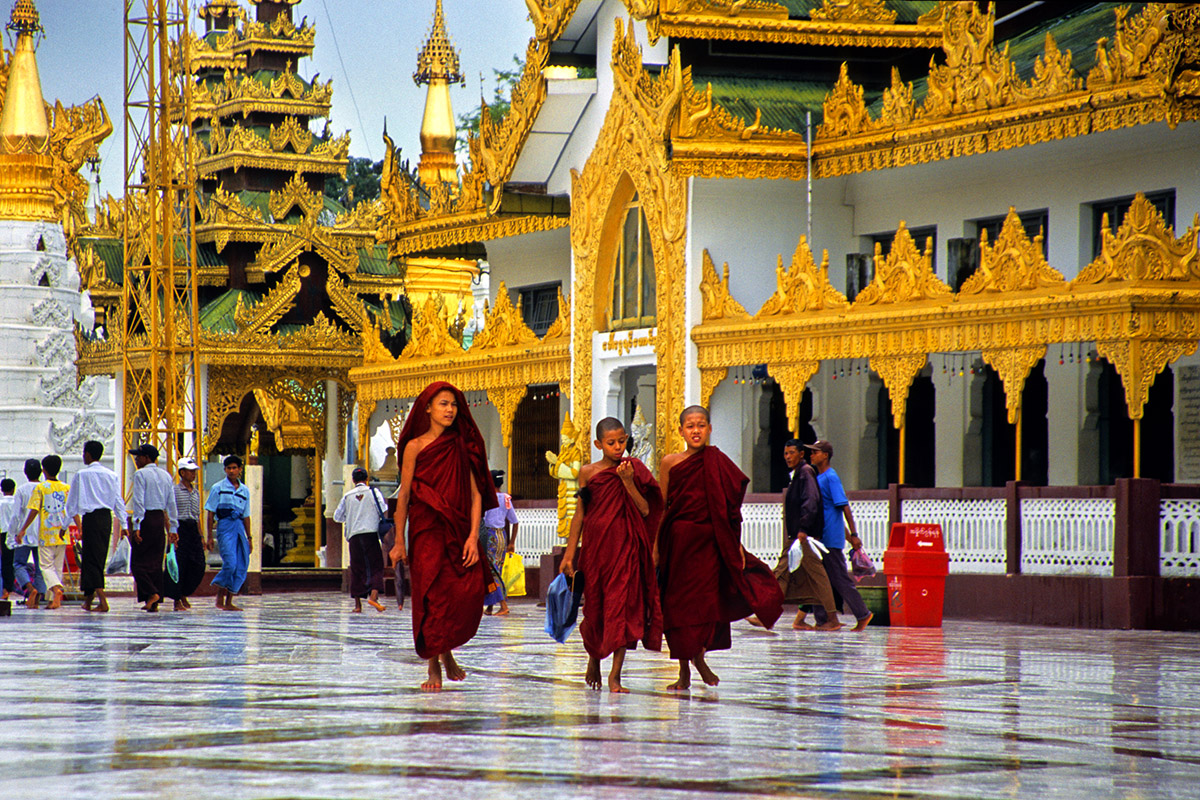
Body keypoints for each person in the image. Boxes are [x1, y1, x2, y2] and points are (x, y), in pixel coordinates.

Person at [656, 406, 784, 691]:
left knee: (705, 606)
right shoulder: (670, 462)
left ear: (710, 428)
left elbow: (729, 510)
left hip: (710, 544)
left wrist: (735, 544)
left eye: (701, 425)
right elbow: (662, 508)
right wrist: (655, 547)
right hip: (677, 543)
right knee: (677, 608)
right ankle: (686, 671)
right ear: (680, 431)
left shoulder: (717, 462)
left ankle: (698, 660)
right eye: (690, 426)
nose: (696, 431)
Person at [389, 381, 497, 691]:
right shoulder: (415, 446)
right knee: (431, 596)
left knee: (462, 594)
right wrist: (399, 541)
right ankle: (435, 664)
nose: (450, 410)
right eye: (443, 404)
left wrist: (474, 536)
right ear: (427, 409)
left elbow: (477, 495)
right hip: (426, 530)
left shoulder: (464, 445)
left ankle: (447, 651)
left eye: (453, 405)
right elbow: (405, 495)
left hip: (460, 529)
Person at [560, 417, 662, 693]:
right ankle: (593, 658)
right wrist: (570, 553)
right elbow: (580, 513)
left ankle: (615, 675)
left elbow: (645, 510)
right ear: (598, 444)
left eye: (622, 441)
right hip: (596, 550)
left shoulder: (634, 469)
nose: (618, 447)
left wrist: (628, 482)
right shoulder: (588, 472)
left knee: (621, 608)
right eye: (611, 443)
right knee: (595, 608)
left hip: (626, 549)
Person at [805, 440, 873, 632]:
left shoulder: (831, 477)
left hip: (830, 539)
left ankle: (862, 614)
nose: (812, 455)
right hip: (820, 537)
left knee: (839, 578)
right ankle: (822, 619)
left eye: (815, 452)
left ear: (825, 455)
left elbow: (843, 507)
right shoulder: (819, 478)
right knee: (819, 579)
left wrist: (853, 534)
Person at [66, 440, 126, 613]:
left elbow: (72, 504)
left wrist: (64, 525)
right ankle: (88, 600)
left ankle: (102, 600)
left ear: (88, 454)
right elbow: (118, 501)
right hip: (106, 519)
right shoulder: (111, 475)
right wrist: (123, 523)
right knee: (97, 557)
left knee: (91, 559)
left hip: (91, 519)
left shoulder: (81, 475)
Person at [128, 444, 178, 612]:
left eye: (139, 457)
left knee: (137, 563)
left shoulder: (140, 474)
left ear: (147, 458)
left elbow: (139, 501)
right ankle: (153, 601)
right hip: (159, 519)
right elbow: (171, 504)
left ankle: (152, 592)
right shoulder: (166, 476)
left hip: (146, 519)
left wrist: (137, 525)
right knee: (156, 562)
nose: (136, 459)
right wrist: (173, 529)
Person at [17, 455, 71, 610]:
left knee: (46, 567)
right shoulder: (66, 488)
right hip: (62, 533)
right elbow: (72, 509)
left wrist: (23, 529)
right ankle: (54, 600)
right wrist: (79, 528)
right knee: (57, 568)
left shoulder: (40, 488)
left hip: (46, 534)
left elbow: (34, 510)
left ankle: (56, 590)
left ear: (44, 470)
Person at [333, 466, 387, 613]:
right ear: (366, 479)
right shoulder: (374, 492)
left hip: (354, 536)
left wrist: (351, 515)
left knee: (357, 569)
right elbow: (383, 509)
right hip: (370, 534)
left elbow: (337, 517)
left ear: (353, 480)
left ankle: (358, 606)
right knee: (376, 565)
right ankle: (373, 597)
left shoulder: (347, 496)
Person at [206, 455, 251, 611]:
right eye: (229, 468)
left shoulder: (244, 490)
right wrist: (209, 536)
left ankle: (229, 600)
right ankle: (219, 594)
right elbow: (211, 512)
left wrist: (249, 537)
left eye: (234, 468)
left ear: (240, 469)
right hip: (225, 526)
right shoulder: (217, 488)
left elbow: (246, 515)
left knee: (241, 564)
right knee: (230, 563)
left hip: (239, 527)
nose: (232, 471)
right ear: (225, 470)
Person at [164, 457, 207, 611]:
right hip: (179, 528)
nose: (193, 474)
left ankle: (184, 593)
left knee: (197, 564)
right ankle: (176, 600)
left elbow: (197, 516)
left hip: (192, 530)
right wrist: (171, 532)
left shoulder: (195, 492)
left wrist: (201, 536)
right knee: (179, 564)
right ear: (182, 472)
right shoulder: (174, 491)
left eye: (194, 471)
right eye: (190, 471)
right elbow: (167, 512)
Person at [482, 470, 518, 617]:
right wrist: (512, 542)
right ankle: (490, 606)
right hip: (502, 536)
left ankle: (503, 605)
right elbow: (515, 522)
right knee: (497, 569)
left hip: (490, 536)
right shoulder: (506, 498)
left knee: (492, 571)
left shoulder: (487, 498)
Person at [9, 459, 43, 609]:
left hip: (25, 532)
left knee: (18, 564)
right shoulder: (45, 488)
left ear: (25, 472)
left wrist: (13, 533)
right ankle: (37, 599)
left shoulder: (22, 490)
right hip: (43, 533)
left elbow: (16, 515)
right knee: (41, 567)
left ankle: (30, 589)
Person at [0, 479, 15, 600]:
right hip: (16, 533)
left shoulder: (0, 503)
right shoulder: (17, 502)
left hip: (3, 533)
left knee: (5, 562)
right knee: (17, 562)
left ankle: (6, 589)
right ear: (13, 489)